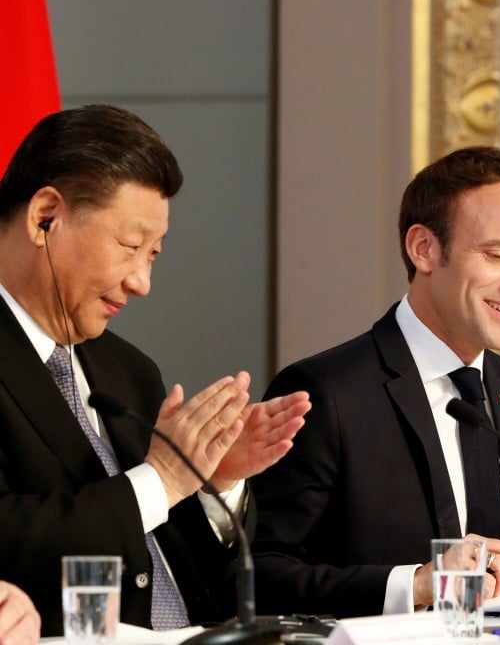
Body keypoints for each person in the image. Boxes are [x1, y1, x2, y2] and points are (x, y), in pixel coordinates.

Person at [0, 105, 311, 635]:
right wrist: (163, 479)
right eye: (129, 247)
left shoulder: (127, 369)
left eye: (155, 254)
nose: (141, 281)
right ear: (44, 216)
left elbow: (179, 566)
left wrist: (212, 482)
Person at [251, 145, 500, 617]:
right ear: (424, 250)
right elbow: (263, 578)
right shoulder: (324, 393)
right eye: (499, 255)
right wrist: (417, 584)